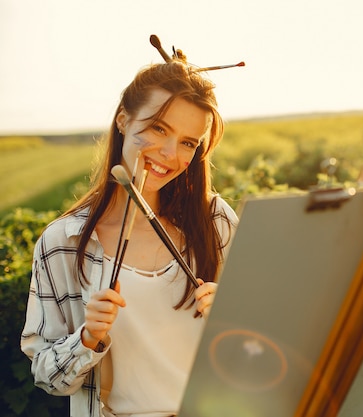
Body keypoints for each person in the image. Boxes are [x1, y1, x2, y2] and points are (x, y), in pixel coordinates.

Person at [21, 36, 238, 417]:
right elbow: (46, 375)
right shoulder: (64, 242)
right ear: (123, 119)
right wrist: (87, 338)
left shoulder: (216, 221)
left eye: (188, 142)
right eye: (158, 129)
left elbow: (265, 349)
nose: (170, 155)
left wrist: (233, 318)